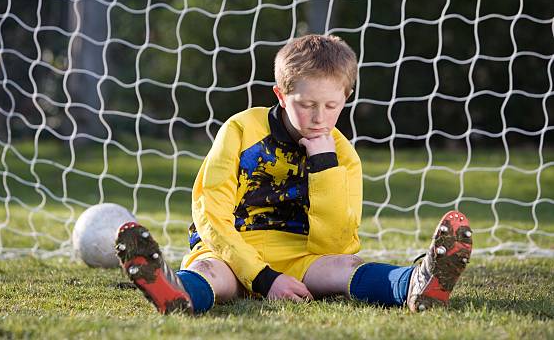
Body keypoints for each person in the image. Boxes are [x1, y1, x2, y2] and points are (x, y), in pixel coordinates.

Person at [114, 34, 473, 315]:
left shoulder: (342, 155)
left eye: (331, 106)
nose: (319, 117)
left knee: (346, 266)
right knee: (213, 275)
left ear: (346, 98)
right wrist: (264, 278)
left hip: (299, 258)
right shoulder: (240, 129)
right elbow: (210, 213)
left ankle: (416, 283)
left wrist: (324, 169)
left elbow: (335, 245)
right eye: (306, 105)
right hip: (232, 250)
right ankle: (176, 292)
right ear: (282, 96)